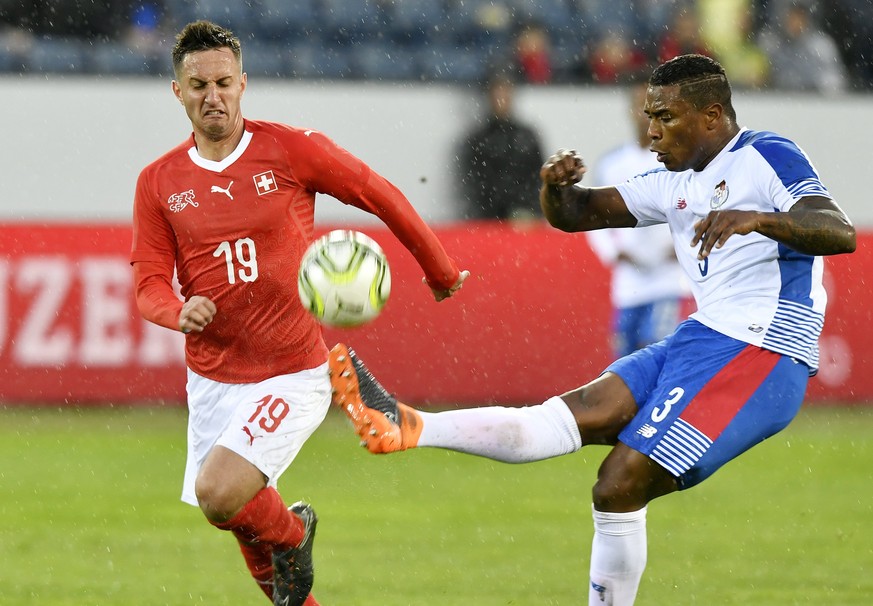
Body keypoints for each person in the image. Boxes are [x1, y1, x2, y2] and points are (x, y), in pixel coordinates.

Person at [328, 54, 856, 605]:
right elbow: (578, 214)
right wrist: (556, 189)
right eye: (649, 115)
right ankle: (408, 426)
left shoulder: (766, 155)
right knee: (569, 417)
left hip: (763, 352)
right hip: (701, 340)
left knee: (618, 484)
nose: (650, 131)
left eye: (665, 117)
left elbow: (838, 231)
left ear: (711, 115)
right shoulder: (671, 179)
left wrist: (758, 219)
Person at [130, 20, 468, 606]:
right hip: (212, 377)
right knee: (236, 519)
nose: (213, 96)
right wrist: (175, 310)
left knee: (220, 493)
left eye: (224, 82)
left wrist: (437, 269)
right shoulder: (158, 183)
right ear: (177, 91)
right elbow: (148, 280)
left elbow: (376, 191)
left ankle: (297, 531)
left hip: (292, 369)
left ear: (243, 84)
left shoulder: (289, 149)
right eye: (198, 85)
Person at [586, 81, 689, 358]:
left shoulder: (679, 161)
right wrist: (614, 252)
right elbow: (593, 217)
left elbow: (699, 208)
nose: (645, 115)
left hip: (669, 278)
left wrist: (684, 246)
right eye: (640, 106)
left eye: (654, 109)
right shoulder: (613, 163)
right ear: (630, 111)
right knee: (624, 359)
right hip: (629, 281)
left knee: (656, 352)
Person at [456, 71, 545, 221]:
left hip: (525, 219)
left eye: (505, 93)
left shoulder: (527, 136)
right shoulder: (478, 139)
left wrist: (529, 210)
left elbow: (540, 178)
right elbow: (474, 186)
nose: (500, 99)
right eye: (496, 93)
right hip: (489, 220)